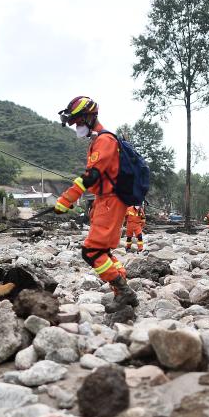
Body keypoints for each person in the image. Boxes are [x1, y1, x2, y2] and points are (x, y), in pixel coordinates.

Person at [53, 95, 137, 307]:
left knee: (91, 252)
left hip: (110, 201)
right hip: (106, 201)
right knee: (104, 253)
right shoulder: (100, 140)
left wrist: (66, 200)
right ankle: (122, 291)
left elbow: (91, 177)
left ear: (90, 117)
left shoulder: (104, 141)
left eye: (79, 121)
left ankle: (123, 290)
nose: (77, 126)